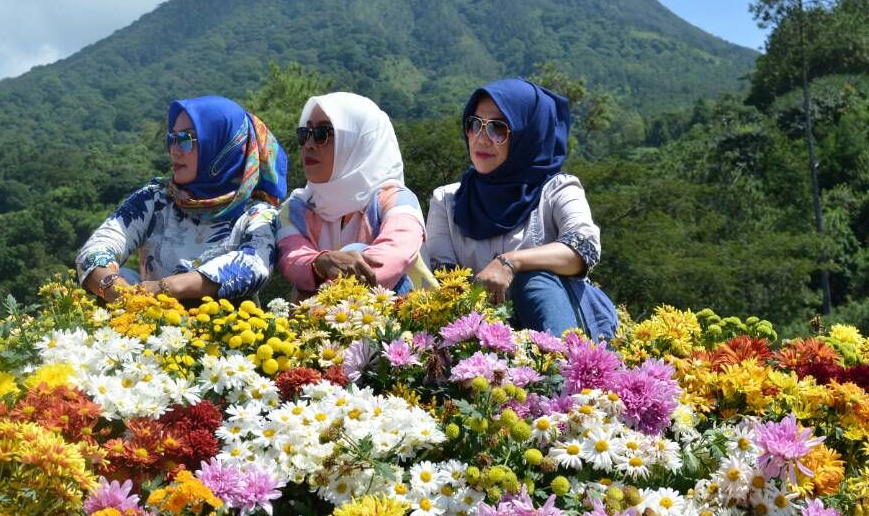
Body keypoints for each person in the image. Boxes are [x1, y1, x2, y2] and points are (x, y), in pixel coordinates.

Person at [425, 78, 618, 339]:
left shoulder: (557, 189)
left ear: (529, 135)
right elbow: (444, 280)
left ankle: (565, 373)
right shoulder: (448, 200)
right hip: (478, 341)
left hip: (557, 331)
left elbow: (584, 250)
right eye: (474, 124)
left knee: (535, 280)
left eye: (497, 129)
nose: (481, 139)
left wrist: (511, 262)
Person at [77, 95, 287, 305]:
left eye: (186, 140)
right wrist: (114, 287)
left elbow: (255, 264)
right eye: (173, 139)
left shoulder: (256, 212)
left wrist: (167, 287)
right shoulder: (156, 199)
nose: (174, 150)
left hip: (227, 333)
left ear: (223, 147)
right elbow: (98, 246)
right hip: (152, 329)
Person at [277, 92, 434, 300]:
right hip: (321, 326)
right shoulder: (296, 209)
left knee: (356, 252)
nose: (309, 144)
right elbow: (291, 260)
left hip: (399, 321)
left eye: (323, 133)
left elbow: (392, 258)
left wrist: (321, 277)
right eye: (305, 133)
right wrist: (323, 262)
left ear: (359, 141)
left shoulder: (396, 200)